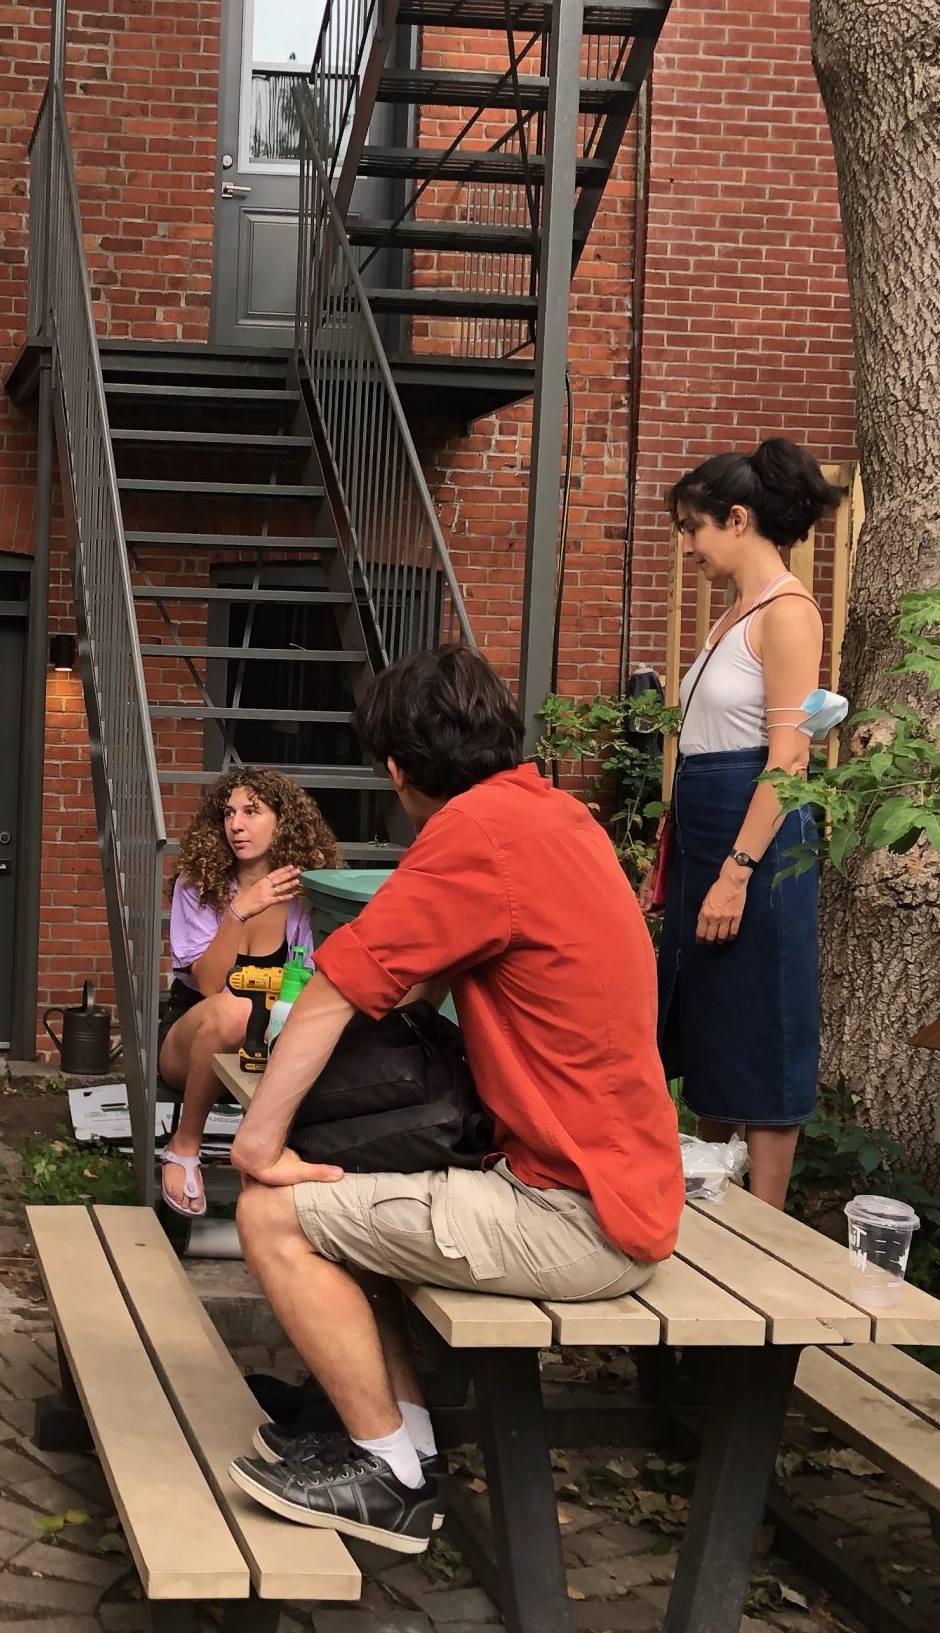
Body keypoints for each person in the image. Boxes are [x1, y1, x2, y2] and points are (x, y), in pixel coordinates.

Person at [223, 646, 683, 1554]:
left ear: (398, 771)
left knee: (274, 1209)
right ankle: (406, 1442)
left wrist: (256, 1141)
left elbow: (335, 989)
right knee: (349, 1191)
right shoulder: (558, 816)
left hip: (575, 1217)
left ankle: (388, 1480)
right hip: (620, 1183)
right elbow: (429, 984)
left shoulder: (474, 839)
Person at [655, 438, 840, 1209]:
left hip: (753, 838)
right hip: (705, 824)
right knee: (708, 1019)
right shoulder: (734, 614)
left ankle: (766, 1228)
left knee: (761, 1016)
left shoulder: (788, 614)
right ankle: (708, 1198)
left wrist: (738, 870)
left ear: (738, 519)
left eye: (695, 529)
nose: (690, 547)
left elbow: (787, 758)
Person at [154, 768, 340, 1216]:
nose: (236, 824)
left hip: (276, 1040)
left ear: (284, 822)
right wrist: (239, 911)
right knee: (235, 1010)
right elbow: (209, 986)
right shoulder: (198, 887)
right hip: (194, 1037)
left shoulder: (308, 895)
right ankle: (184, 1146)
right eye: (229, 813)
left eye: (252, 812)